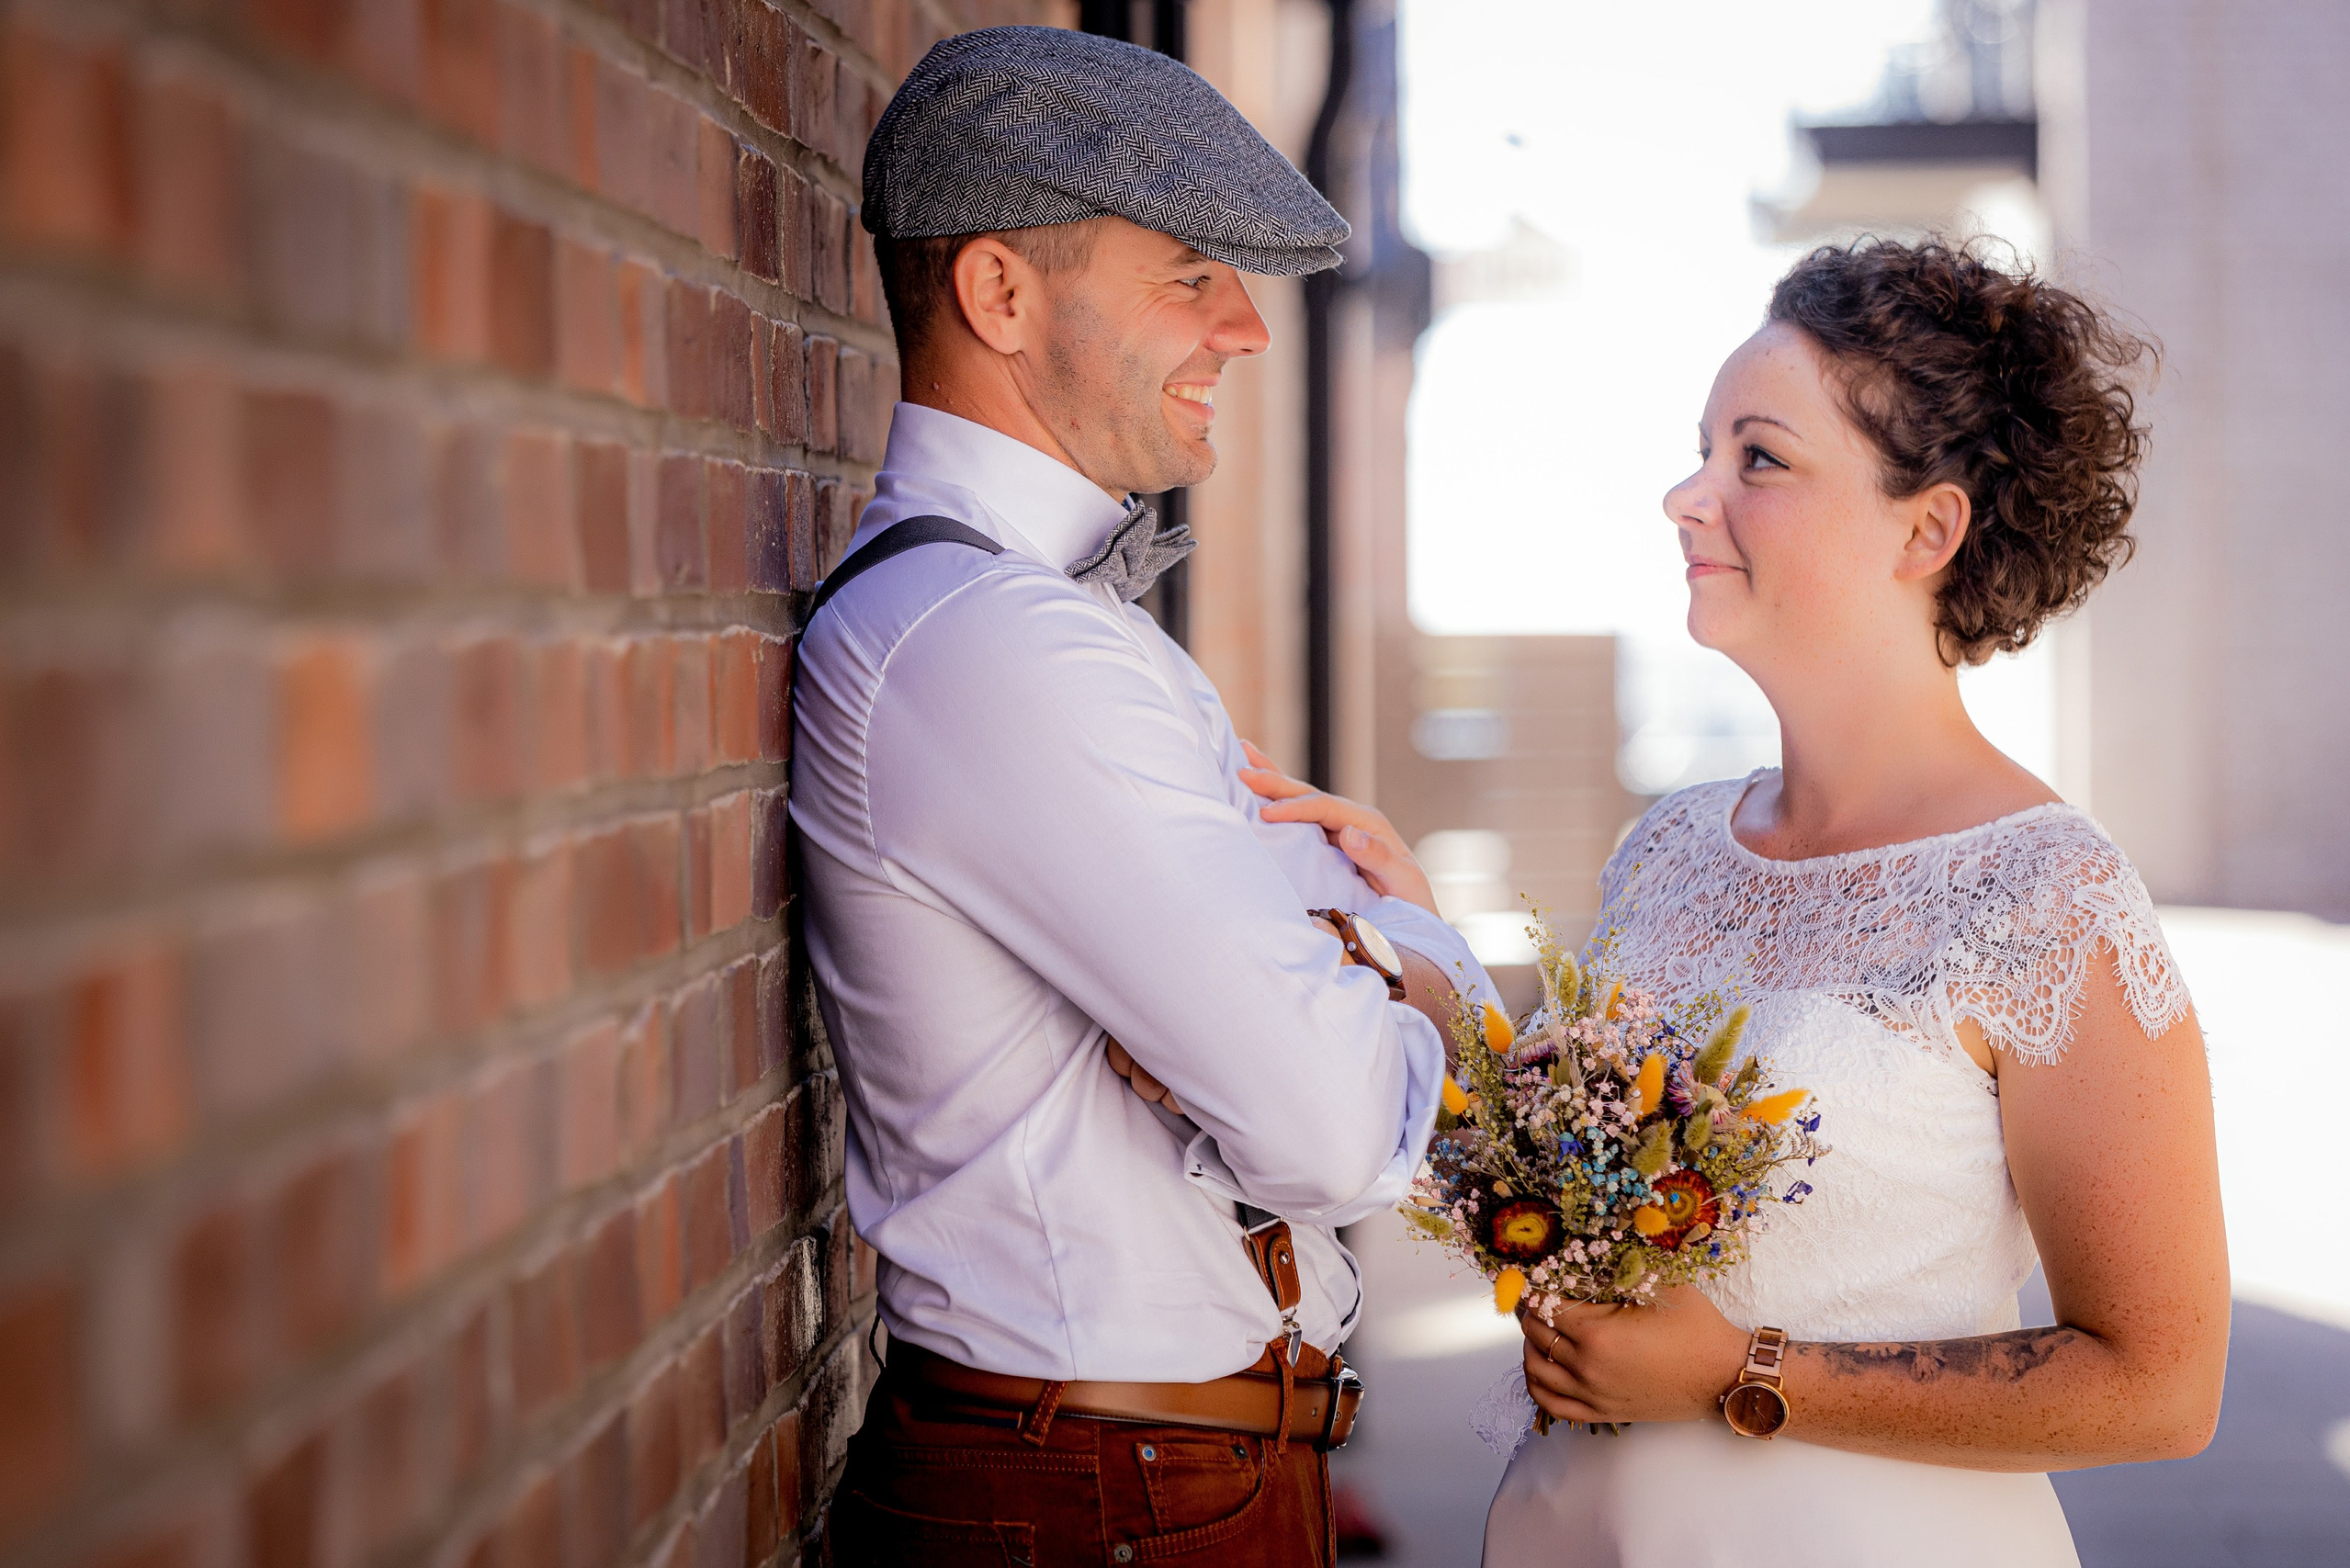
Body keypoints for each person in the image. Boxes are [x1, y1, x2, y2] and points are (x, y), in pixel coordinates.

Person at [1244, 237, 2229, 1568]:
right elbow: (1578, 1187)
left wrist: (1742, 1375)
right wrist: (1424, 959)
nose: (1686, 496)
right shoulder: (1673, 847)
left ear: (1927, 529)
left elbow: (2158, 1386)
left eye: (1757, 459)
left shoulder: (2048, 900)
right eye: (1705, 450)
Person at [789, 27, 1498, 1567]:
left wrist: (1334, 977)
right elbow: (1323, 1129)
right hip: (1103, 1499)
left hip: (1147, 1477)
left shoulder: (1036, 626)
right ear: (999, 294)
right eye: (1190, 274)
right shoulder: (1002, 644)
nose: (1246, 330)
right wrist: (1416, 961)